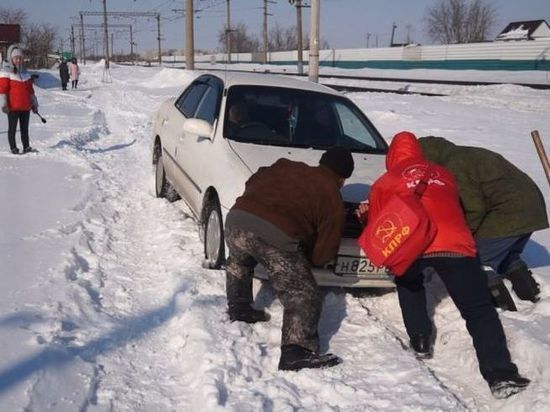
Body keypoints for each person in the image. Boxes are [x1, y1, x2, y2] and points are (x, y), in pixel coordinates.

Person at [364, 131, 529, 399]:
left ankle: (419, 340)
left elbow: (380, 224)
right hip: (455, 243)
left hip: (413, 241)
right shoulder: (442, 172)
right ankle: (501, 375)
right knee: (478, 311)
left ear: (391, 155)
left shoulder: (386, 180)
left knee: (409, 281)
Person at [224, 147, 354, 371]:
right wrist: (309, 261)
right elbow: (324, 251)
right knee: (303, 293)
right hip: (274, 236)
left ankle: (239, 306)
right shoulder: (332, 194)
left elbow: (255, 179)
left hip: (237, 219)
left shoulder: (285, 166)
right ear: (342, 178)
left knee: (240, 262)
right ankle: (297, 351)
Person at [419, 136, 547, 309]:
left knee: (479, 261)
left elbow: (474, 208)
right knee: (508, 257)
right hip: (532, 208)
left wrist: (464, 234)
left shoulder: (453, 165)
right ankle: (532, 296)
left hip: (508, 212)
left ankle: (502, 309)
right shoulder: (465, 153)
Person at [0, 44, 38, 154]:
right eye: (16, 58)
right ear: (11, 59)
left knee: (24, 129)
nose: (18, 60)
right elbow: (2, 89)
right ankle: (13, 147)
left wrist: (34, 103)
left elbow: (30, 90)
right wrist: (3, 103)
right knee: (12, 129)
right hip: (12, 107)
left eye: (20, 58)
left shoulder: (25, 73)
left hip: (25, 107)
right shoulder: (5, 72)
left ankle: (26, 147)